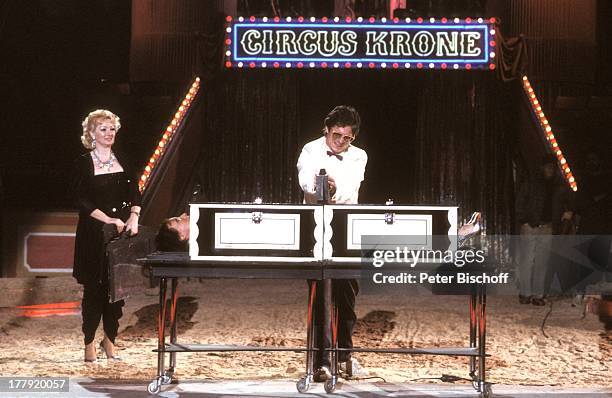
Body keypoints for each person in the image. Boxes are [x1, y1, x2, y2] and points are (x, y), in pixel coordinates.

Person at [296, 105, 368, 381]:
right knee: (318, 295)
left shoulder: (359, 155)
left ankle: (345, 355)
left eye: (346, 138)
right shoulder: (310, 150)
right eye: (336, 135)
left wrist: (335, 189)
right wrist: (319, 188)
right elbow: (306, 183)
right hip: (315, 227)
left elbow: (352, 186)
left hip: (347, 227)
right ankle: (320, 360)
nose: (340, 142)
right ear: (326, 130)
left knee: (347, 294)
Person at [72, 109, 141, 362]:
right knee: (94, 291)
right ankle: (89, 342)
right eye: (103, 128)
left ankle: (110, 340)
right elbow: (81, 200)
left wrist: (134, 215)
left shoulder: (123, 158)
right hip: (94, 234)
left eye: (112, 128)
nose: (108, 133)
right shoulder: (82, 162)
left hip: (121, 235)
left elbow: (135, 190)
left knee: (117, 291)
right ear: (91, 133)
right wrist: (109, 219)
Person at [515, 154, 574, 306]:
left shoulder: (559, 186)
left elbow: (568, 203)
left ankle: (537, 295)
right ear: (542, 167)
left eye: (552, 167)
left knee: (542, 262)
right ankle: (525, 293)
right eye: (548, 166)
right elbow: (520, 201)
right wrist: (524, 220)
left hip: (547, 226)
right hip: (531, 225)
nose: (550, 169)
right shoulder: (532, 183)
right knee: (527, 261)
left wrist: (565, 216)